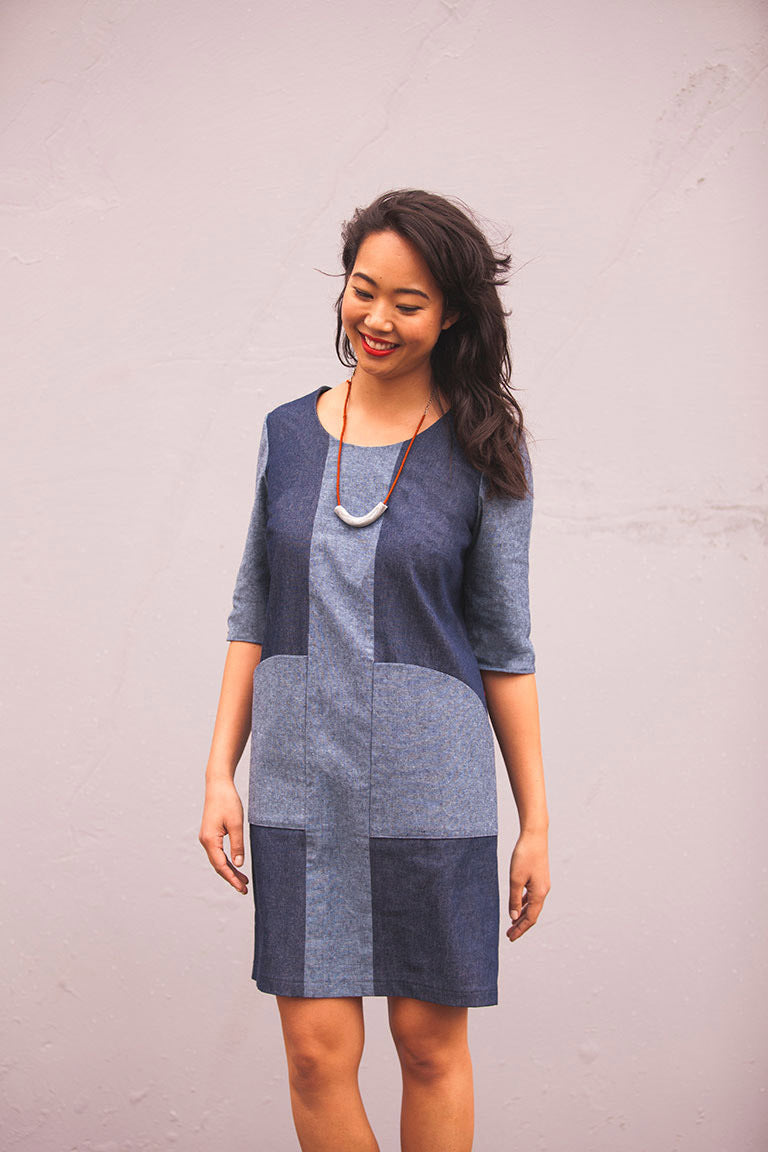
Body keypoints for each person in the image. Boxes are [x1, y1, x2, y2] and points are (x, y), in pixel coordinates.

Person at [199, 187, 550, 1152]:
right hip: (301, 774)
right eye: (365, 290)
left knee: (427, 1043)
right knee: (315, 1052)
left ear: (451, 316)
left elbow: (505, 648)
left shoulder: (488, 451)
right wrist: (218, 774)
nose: (379, 319)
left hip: (430, 777)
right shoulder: (285, 433)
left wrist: (536, 822)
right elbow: (250, 612)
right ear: (343, 288)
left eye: (411, 301)